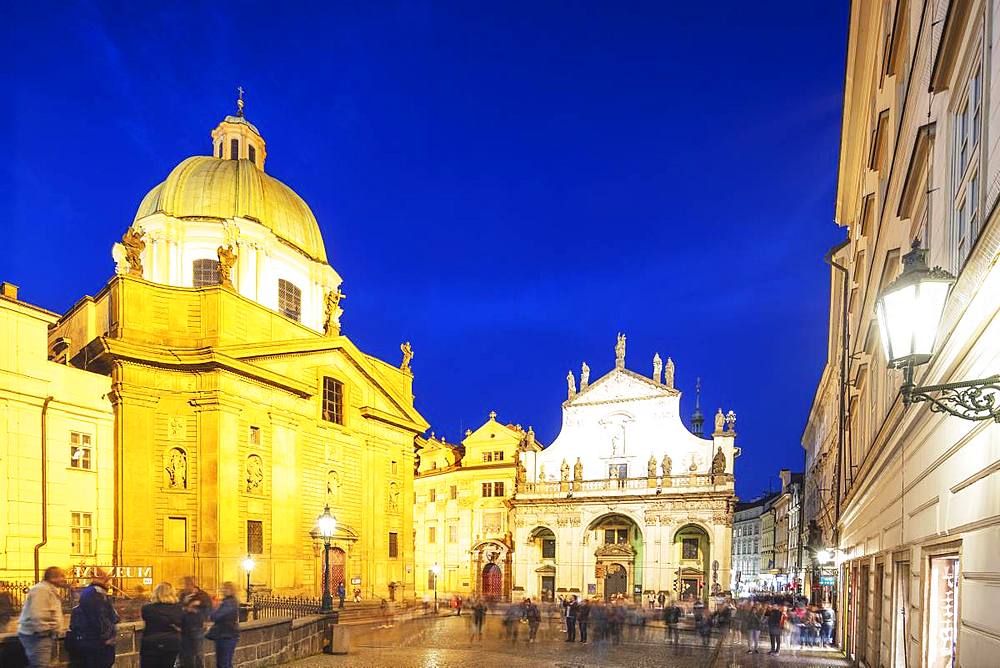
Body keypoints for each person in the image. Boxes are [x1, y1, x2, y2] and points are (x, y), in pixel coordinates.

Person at [65, 568, 119, 668]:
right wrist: (108, 637)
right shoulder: (96, 593)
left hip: (92, 641)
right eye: (107, 579)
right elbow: (100, 617)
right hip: (96, 643)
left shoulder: (92, 592)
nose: (110, 583)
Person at [17, 566, 66, 668]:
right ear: (53, 578)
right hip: (37, 636)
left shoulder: (49, 590)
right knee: (40, 665)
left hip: (43, 635)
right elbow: (38, 613)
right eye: (62, 576)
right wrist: (45, 631)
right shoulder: (41, 590)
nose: (64, 578)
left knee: (43, 664)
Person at [139, 583, 183, 668]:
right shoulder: (179, 608)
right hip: (172, 643)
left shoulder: (147, 608)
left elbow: (146, 619)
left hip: (151, 643)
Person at [178, 577, 212, 668]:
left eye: (185, 585)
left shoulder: (202, 596)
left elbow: (208, 611)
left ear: (192, 585)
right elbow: (177, 608)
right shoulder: (182, 595)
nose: (184, 587)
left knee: (198, 653)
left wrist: (196, 611)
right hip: (183, 628)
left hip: (197, 627)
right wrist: (186, 608)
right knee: (184, 653)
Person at [207, 582, 239, 668]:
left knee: (223, 663)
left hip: (226, 636)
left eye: (225, 588)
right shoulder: (229, 601)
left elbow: (215, 616)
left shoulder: (229, 603)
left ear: (230, 590)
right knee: (224, 662)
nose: (222, 590)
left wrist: (214, 606)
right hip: (225, 635)